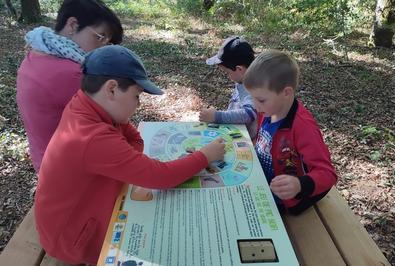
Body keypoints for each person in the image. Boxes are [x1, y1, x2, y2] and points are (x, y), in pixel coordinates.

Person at [34, 45, 226, 265]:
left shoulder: (85, 104)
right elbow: (160, 177)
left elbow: (134, 140)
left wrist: (125, 161)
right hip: (72, 238)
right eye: (136, 96)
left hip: (70, 220)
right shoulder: (92, 136)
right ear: (112, 89)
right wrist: (205, 156)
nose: (138, 104)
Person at [16, 0, 123, 172]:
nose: (103, 48)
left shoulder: (36, 54)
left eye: (107, 42)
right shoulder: (72, 74)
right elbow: (113, 122)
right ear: (73, 25)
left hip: (44, 159)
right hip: (69, 170)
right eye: (100, 37)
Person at [243, 50, 338, 215]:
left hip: (288, 197)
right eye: (252, 98)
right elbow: (266, 142)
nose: (255, 105)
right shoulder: (267, 111)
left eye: (261, 100)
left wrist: (299, 185)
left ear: (286, 93)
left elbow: (328, 174)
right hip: (262, 181)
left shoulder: (303, 127)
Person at [199, 36, 258, 140]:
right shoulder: (241, 80)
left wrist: (217, 116)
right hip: (235, 132)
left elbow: (248, 114)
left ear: (239, 69)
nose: (227, 76)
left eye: (227, 73)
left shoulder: (252, 87)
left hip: (246, 141)